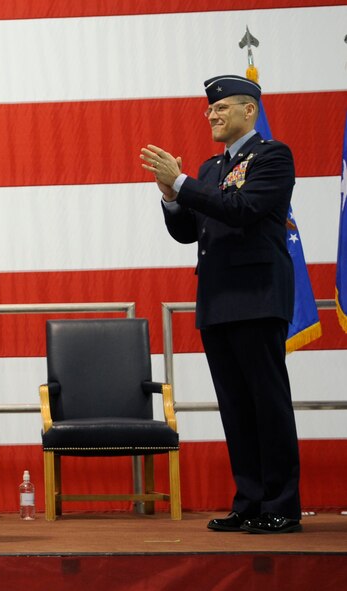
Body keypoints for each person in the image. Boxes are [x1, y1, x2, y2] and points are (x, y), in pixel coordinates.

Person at [140, 75, 301, 534]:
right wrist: (171, 195)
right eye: (210, 109)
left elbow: (242, 209)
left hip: (256, 297)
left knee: (267, 404)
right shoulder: (211, 168)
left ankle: (282, 505)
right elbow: (189, 231)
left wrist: (183, 181)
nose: (212, 114)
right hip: (216, 299)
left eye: (222, 107)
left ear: (250, 111)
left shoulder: (273, 156)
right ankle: (249, 501)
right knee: (235, 406)